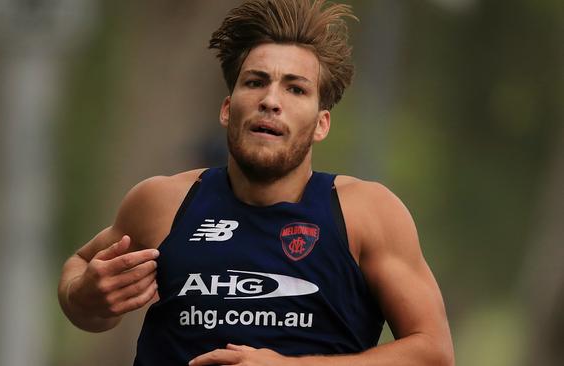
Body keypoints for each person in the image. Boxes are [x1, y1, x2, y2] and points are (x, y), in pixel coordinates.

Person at [57, 0, 455, 365]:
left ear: (321, 124)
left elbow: (433, 352)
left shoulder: (366, 213)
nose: (270, 100)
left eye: (296, 88)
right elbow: (80, 275)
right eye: (255, 82)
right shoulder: (162, 202)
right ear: (228, 109)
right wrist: (86, 297)